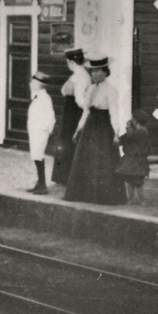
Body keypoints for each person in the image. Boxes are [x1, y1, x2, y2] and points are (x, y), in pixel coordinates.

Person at [63, 54, 127, 205]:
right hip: (90, 126)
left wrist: (116, 132)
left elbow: (114, 112)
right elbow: (86, 111)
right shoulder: (91, 88)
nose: (95, 74)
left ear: (105, 72)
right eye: (93, 71)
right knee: (85, 159)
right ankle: (84, 195)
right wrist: (78, 129)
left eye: (98, 71)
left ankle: (102, 197)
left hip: (103, 128)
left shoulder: (111, 89)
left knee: (102, 161)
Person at [49, 48, 91, 185]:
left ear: (71, 61)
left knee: (68, 143)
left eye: (68, 61)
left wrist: (87, 108)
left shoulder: (80, 76)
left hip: (74, 113)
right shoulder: (79, 74)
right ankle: (64, 177)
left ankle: (67, 178)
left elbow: (79, 100)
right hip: (71, 113)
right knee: (67, 143)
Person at [26, 72, 57, 195]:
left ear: (39, 84)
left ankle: (43, 185)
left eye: (33, 82)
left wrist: (46, 130)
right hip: (35, 131)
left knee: (38, 156)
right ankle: (40, 183)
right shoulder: (38, 96)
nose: (30, 84)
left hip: (40, 132)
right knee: (36, 156)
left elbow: (51, 117)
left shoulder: (45, 98)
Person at [115, 108, 155, 204]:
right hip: (137, 160)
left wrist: (128, 129)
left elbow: (127, 138)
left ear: (136, 120)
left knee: (136, 182)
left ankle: (140, 200)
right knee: (133, 181)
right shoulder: (142, 130)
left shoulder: (140, 131)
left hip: (136, 160)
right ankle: (134, 200)